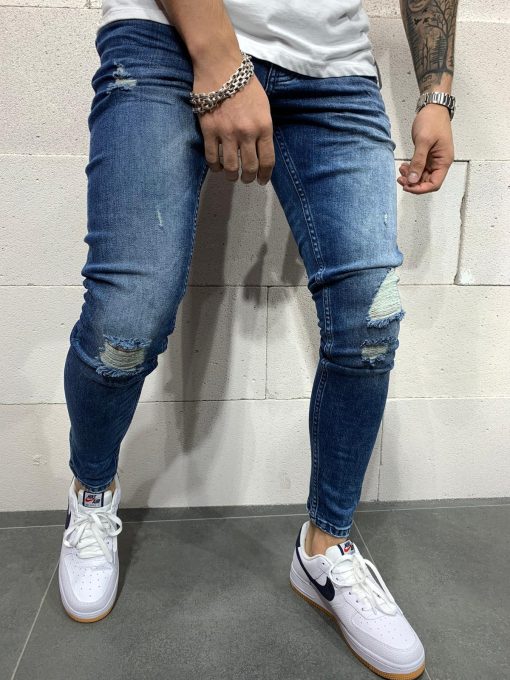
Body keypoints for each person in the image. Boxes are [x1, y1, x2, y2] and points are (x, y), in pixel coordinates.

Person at [58, 0, 457, 677]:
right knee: (127, 321)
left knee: (369, 321)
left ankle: (324, 552)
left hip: (332, 66)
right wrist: (219, 58)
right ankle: (92, 490)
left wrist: (436, 93)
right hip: (164, 38)